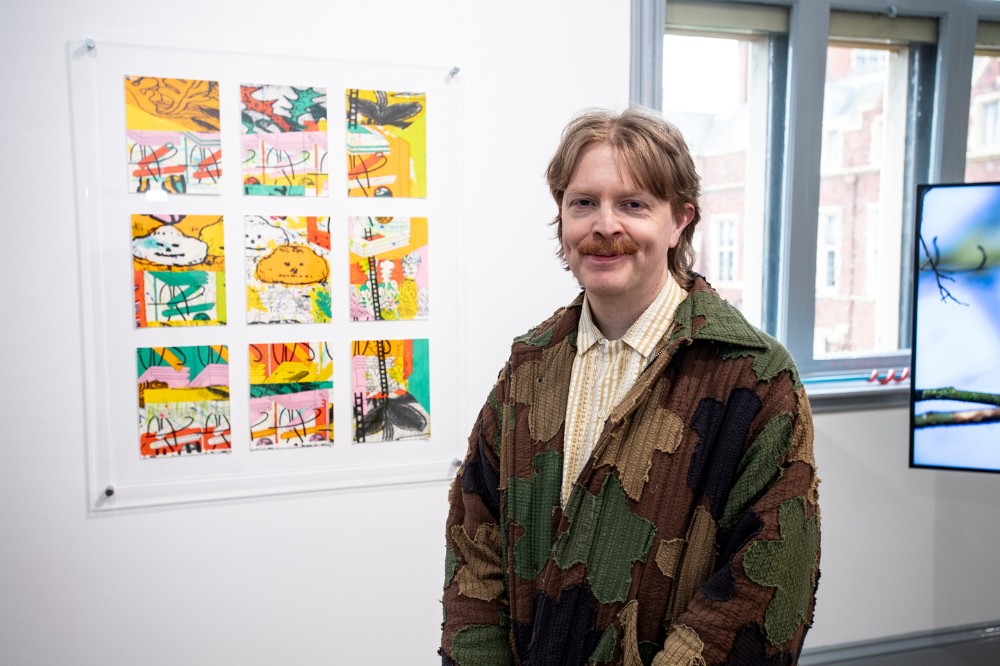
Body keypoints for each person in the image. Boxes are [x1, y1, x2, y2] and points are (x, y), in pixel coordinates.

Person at [440, 107, 820, 665]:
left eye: (634, 204)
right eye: (584, 203)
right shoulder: (530, 366)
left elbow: (762, 592)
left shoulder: (753, 378)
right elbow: (476, 549)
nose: (604, 226)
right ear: (562, 220)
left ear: (679, 221)